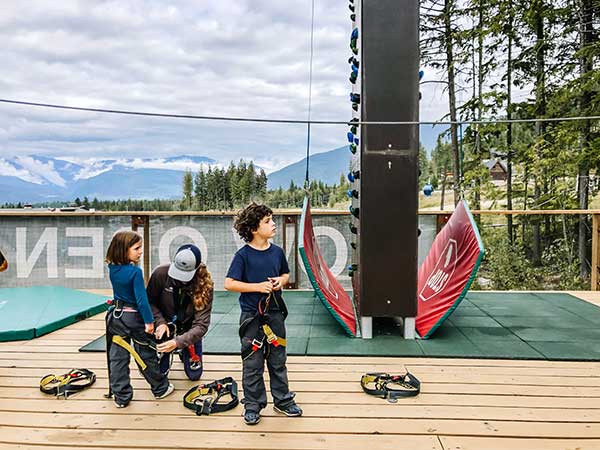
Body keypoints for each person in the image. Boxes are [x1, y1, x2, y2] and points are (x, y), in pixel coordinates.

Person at [224, 202, 302, 425]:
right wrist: (257, 287)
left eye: (272, 220)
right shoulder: (243, 256)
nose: (273, 224)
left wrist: (281, 281)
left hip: (275, 315)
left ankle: (283, 401)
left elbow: (286, 274)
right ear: (253, 229)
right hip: (251, 318)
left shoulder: (277, 253)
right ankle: (252, 405)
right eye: (268, 221)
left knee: (278, 360)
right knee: (252, 363)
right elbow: (229, 283)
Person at [105, 230, 174, 408]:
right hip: (135, 318)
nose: (140, 251)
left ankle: (121, 397)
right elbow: (141, 300)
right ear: (123, 250)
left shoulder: (112, 268)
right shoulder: (135, 272)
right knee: (145, 354)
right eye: (136, 248)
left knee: (118, 357)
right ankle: (160, 388)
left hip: (117, 317)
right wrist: (149, 322)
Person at [147, 243, 213, 381]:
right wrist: (160, 322)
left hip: (189, 329)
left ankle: (184, 350)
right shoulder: (160, 274)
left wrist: (178, 342)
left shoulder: (205, 285)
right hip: (165, 326)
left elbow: (201, 325)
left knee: (194, 376)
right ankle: (167, 348)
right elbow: (149, 302)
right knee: (159, 373)